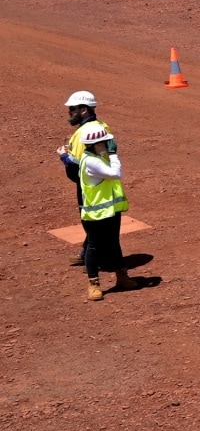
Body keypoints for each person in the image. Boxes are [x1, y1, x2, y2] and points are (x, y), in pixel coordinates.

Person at [75, 121, 131, 302]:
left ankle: (122, 276)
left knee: (114, 243)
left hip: (110, 211)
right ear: (97, 144)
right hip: (96, 214)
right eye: (105, 142)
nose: (109, 145)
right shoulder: (91, 161)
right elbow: (115, 173)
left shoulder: (98, 155)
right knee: (93, 247)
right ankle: (93, 284)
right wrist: (114, 155)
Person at [58, 90, 106, 267]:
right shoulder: (94, 127)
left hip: (92, 186)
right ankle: (87, 252)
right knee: (91, 222)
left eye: (72, 108)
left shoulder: (89, 131)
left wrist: (64, 156)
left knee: (93, 222)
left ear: (84, 110)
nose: (69, 112)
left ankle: (94, 258)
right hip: (90, 183)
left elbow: (80, 165)